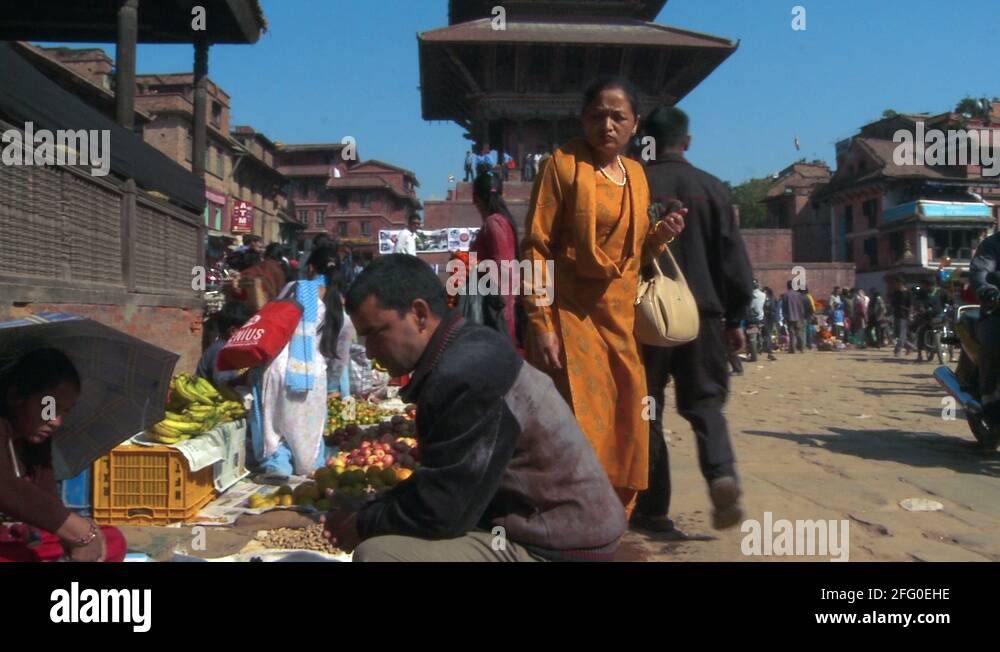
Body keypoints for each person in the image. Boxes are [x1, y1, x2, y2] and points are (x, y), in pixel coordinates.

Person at [320, 255, 628, 561]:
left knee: (378, 554)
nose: (370, 350)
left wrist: (363, 524)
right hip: (553, 526)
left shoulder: (464, 373)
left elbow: (443, 511)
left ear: (419, 314)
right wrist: (375, 508)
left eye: (375, 333)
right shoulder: (464, 347)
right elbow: (447, 479)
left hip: (560, 544)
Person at [520, 77, 683, 518]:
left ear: (635, 125)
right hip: (570, 319)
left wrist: (659, 237)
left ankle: (611, 518)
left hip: (620, 321)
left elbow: (634, 253)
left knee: (627, 418)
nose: (606, 124)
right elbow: (536, 246)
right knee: (579, 422)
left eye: (618, 117)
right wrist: (542, 323)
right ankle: (573, 517)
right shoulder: (561, 165)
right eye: (597, 115)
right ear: (582, 119)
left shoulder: (637, 175)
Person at [632, 105, 752, 534]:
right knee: (705, 405)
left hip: (648, 317)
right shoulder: (713, 189)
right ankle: (721, 473)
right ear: (688, 141)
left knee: (647, 409)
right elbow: (736, 264)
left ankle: (653, 508)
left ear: (645, 140)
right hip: (704, 315)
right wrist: (737, 318)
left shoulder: (634, 185)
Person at [0, 348, 126, 562]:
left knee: (110, 539)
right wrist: (77, 531)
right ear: (15, 396)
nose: (56, 421)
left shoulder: (35, 438)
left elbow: (47, 497)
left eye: (65, 411)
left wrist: (78, 531)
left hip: (14, 533)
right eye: (49, 408)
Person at [251, 246, 344, 477]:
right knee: (307, 428)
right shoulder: (336, 299)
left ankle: (278, 464)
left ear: (310, 267)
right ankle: (308, 464)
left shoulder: (295, 288)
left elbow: (269, 317)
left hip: (281, 366)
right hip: (314, 374)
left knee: (273, 426)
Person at [468, 170, 520, 348]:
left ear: (475, 198)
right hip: (501, 304)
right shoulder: (501, 221)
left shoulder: (493, 223)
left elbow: (502, 267)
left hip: (498, 309)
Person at [969, 231, 1000, 424]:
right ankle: (989, 397)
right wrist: (987, 288)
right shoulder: (993, 244)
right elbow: (981, 270)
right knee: (994, 342)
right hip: (996, 309)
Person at [196, 301, 254, 388]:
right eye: (247, 329)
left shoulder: (230, 348)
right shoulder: (221, 351)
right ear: (233, 331)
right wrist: (250, 374)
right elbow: (223, 383)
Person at [782, 281, 811, 353]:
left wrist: (784, 316)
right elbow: (801, 307)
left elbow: (784, 307)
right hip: (799, 316)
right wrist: (802, 315)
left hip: (789, 317)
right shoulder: (799, 295)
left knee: (792, 333)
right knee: (799, 333)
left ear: (788, 286)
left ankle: (792, 349)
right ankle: (802, 348)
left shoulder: (786, 295)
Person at [890, 277, 914, 356]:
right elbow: (892, 303)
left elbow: (911, 305)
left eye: (897, 283)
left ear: (902, 284)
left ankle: (897, 350)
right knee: (896, 335)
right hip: (896, 314)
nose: (896, 285)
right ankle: (910, 346)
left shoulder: (908, 293)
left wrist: (910, 314)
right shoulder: (895, 292)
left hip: (904, 315)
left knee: (902, 334)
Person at [747, 280, 766, 363]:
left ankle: (753, 355)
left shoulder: (748, 295)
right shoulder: (763, 295)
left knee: (751, 338)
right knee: (761, 334)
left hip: (750, 318)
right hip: (760, 318)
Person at [763, 287, 778, 361]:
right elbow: (775, 310)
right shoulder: (773, 299)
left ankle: (769, 351)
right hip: (769, 319)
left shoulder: (768, 299)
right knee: (768, 334)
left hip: (767, 319)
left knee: (768, 334)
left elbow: (774, 309)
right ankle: (768, 350)